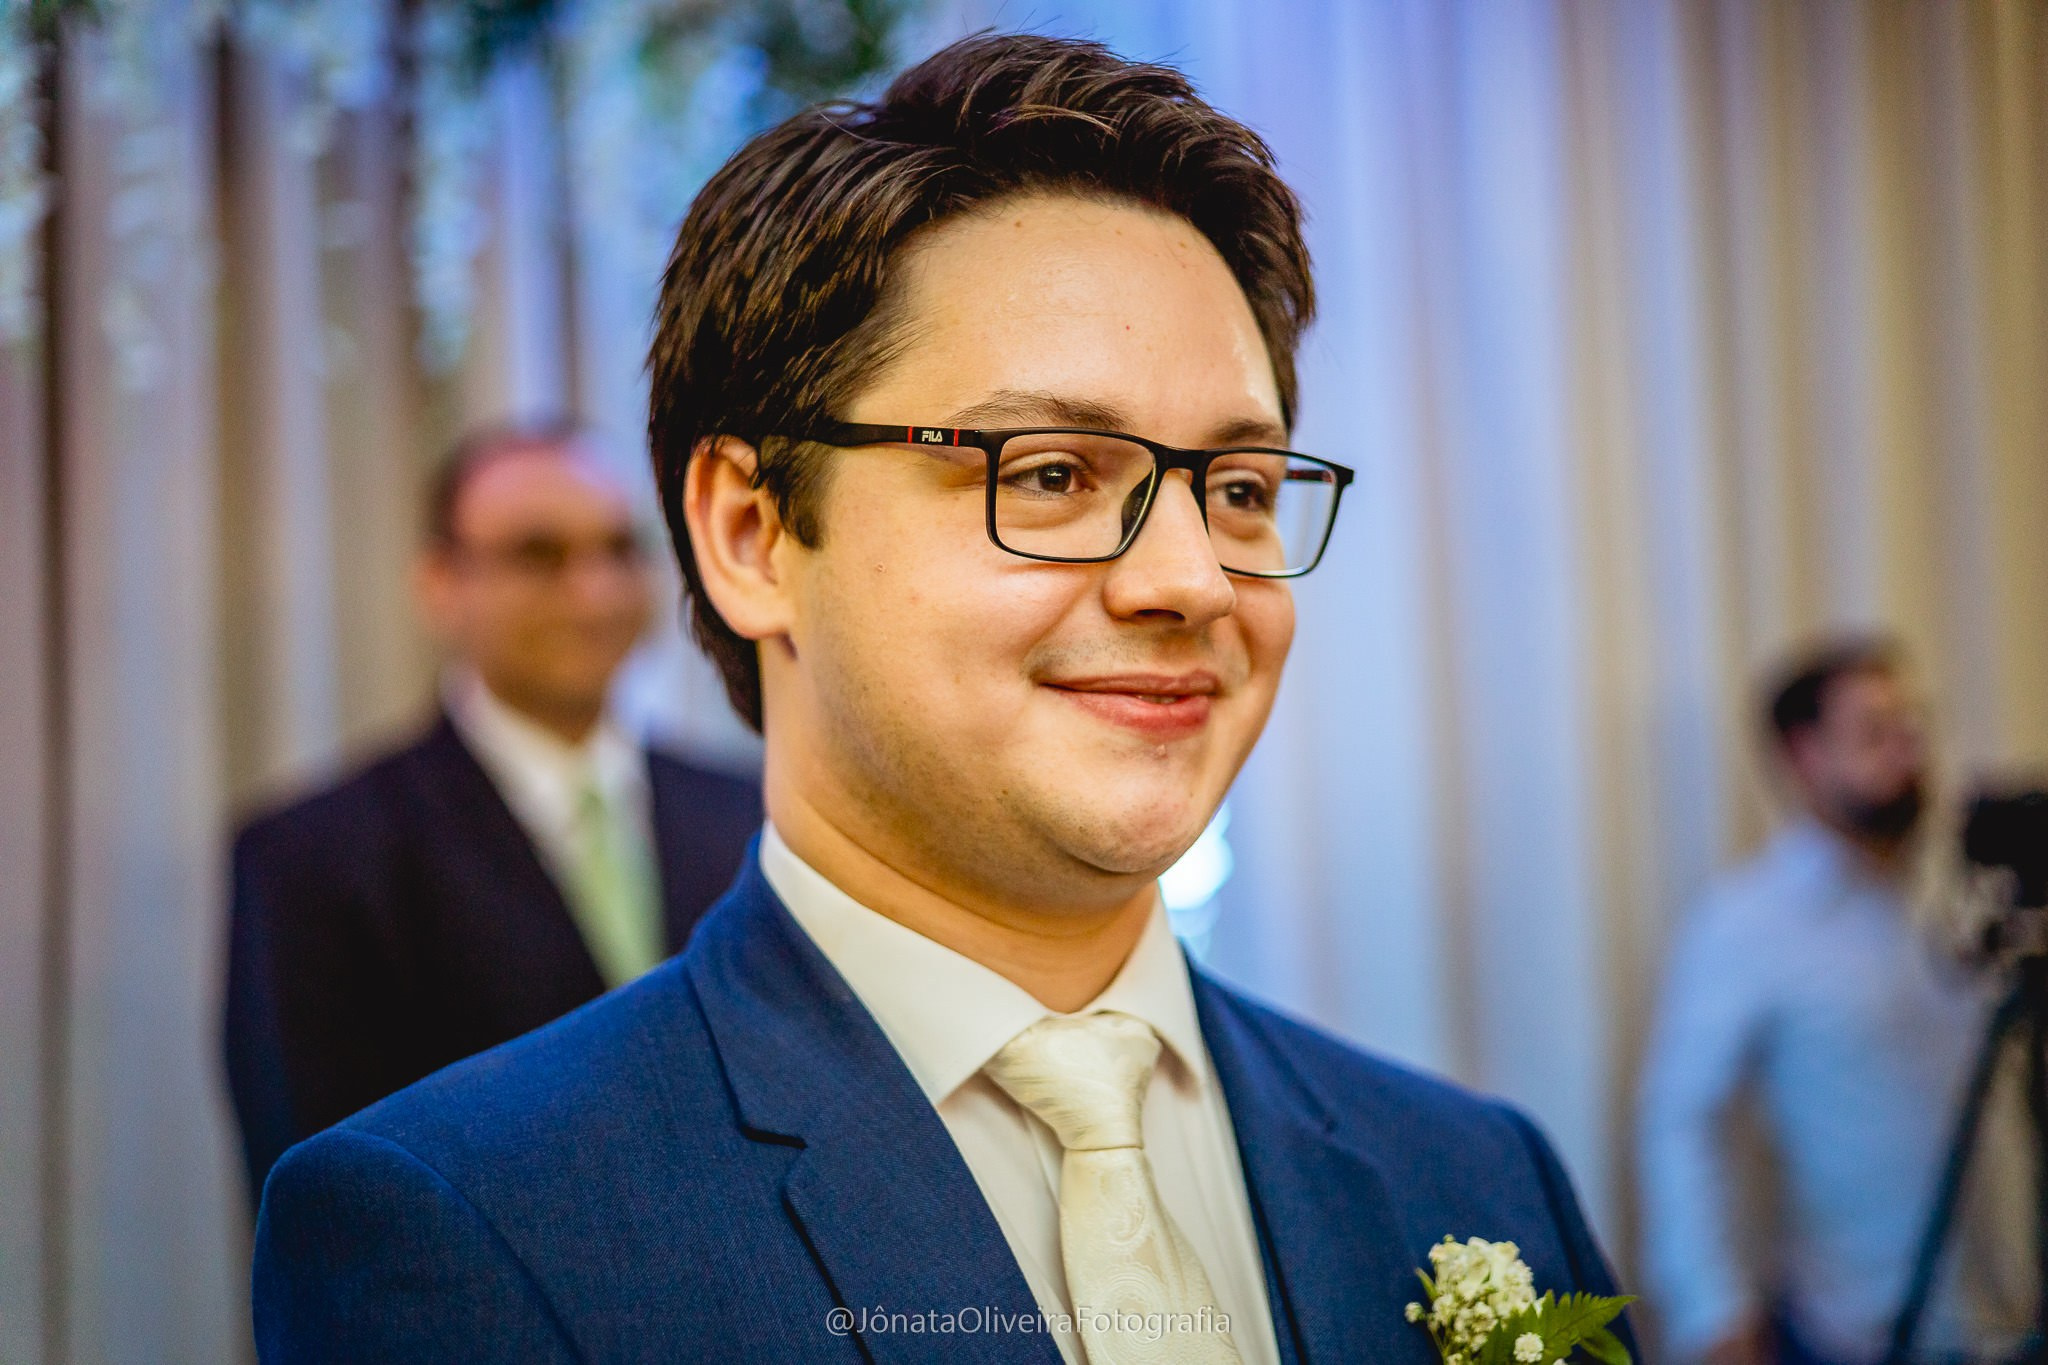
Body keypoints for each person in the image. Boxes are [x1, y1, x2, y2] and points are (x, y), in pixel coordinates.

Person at [252, 35, 1635, 1363]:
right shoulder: (475, 1227)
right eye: (1048, 473)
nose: (1192, 580)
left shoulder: (1477, 1176)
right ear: (753, 533)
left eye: (1240, 490)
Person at [222, 420, 760, 1197]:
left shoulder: (748, 810)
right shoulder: (313, 857)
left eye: (619, 549)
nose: (593, 590)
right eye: (539, 555)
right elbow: (321, 1193)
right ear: (442, 581)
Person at [1638, 638, 2032, 1365]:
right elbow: (1684, 1123)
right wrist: (1713, 1313)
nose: (1907, 754)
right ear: (1803, 754)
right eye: (1874, 733)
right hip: (1860, 1327)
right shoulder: (1747, 923)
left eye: (1912, 728)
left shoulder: (1961, 901)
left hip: (2002, 1314)